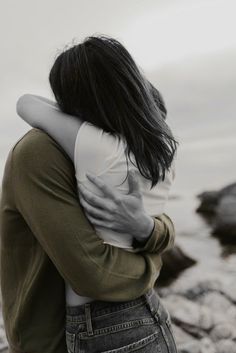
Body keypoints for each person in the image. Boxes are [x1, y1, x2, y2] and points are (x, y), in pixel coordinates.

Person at [0, 35, 178, 353]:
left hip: (100, 327)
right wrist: (151, 254)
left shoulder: (95, 148)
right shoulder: (44, 151)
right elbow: (98, 272)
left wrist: (147, 229)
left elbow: (96, 275)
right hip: (84, 329)